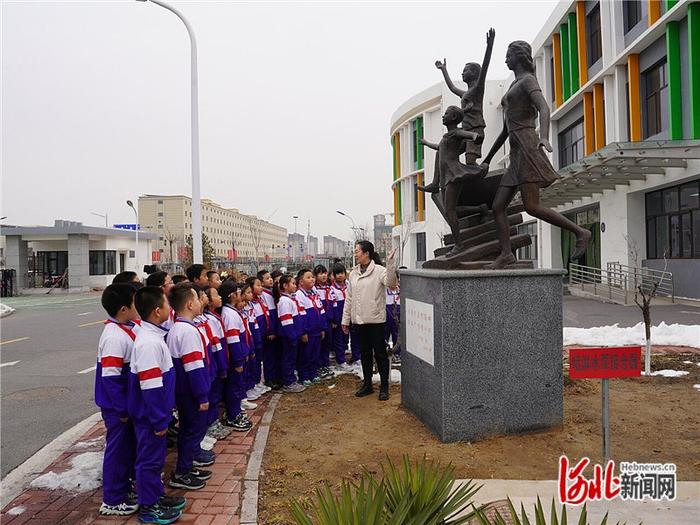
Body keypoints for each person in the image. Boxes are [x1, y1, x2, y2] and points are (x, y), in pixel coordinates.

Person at [480, 40, 591, 269]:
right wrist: (489, 158)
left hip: (528, 148)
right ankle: (506, 254)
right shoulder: (515, 85)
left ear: (518, 57)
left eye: (508, 55)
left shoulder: (528, 81)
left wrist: (545, 137)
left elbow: (544, 108)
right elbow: (504, 130)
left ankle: (581, 232)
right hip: (516, 153)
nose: (505, 60)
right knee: (498, 206)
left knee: (532, 206)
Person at [128, 286, 184, 524]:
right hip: (150, 416)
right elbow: (150, 387)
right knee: (149, 461)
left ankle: (156, 496)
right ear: (157, 311)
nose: (170, 309)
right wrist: (159, 419)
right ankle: (149, 507)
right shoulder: (149, 343)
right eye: (167, 305)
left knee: (155, 460)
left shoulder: (154, 337)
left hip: (156, 414)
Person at [95, 284, 139, 516]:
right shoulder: (114, 337)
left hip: (124, 405)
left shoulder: (127, 328)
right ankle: (112, 499)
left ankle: (124, 487)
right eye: (135, 302)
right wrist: (121, 409)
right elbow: (111, 379)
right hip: (116, 407)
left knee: (127, 448)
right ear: (123, 309)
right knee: (118, 450)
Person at [166, 283, 212, 491]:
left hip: (186, 392)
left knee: (190, 430)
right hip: (191, 393)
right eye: (197, 298)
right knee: (191, 430)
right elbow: (193, 367)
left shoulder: (180, 328)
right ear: (190, 304)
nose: (202, 302)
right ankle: (182, 472)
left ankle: (188, 466)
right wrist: (202, 396)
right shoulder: (187, 331)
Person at [341, 241, 397, 401]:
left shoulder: (379, 271)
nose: (355, 254)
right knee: (365, 354)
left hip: (376, 321)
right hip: (359, 321)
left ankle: (384, 387)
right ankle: (367, 385)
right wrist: (345, 319)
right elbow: (349, 298)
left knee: (380, 354)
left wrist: (391, 263)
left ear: (366, 253)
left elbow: (392, 284)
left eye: (357, 251)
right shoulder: (353, 273)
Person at [219, 281, 254, 431]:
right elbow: (233, 340)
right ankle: (232, 416)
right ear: (233, 296)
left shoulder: (233, 312)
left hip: (240, 357)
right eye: (239, 293)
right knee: (234, 388)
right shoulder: (230, 314)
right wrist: (238, 361)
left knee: (237, 387)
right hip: (235, 361)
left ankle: (235, 412)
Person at [202, 286, 231, 440]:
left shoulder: (212, 317)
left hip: (216, 364)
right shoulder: (209, 320)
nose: (220, 297)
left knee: (215, 394)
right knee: (211, 397)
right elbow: (215, 345)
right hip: (212, 364)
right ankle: (210, 425)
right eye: (215, 295)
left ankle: (214, 422)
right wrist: (221, 365)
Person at [274, 274, 306, 393]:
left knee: (291, 359)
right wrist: (292, 336)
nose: (295, 285)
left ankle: (291, 379)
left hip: (293, 336)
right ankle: (288, 382)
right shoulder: (284, 301)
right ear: (285, 286)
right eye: (292, 283)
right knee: (288, 359)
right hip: (289, 337)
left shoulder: (290, 299)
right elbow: (286, 322)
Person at [295, 269, 326, 387]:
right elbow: (300, 315)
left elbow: (321, 310)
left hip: (317, 330)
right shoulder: (299, 295)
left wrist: (323, 327)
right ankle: (304, 375)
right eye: (308, 277)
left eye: (312, 277)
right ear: (301, 282)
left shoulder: (315, 292)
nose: (312, 279)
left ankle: (313, 373)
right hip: (308, 332)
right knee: (305, 354)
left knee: (315, 353)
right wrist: (303, 332)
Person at [258, 270, 282, 389]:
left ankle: (276, 376)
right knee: (269, 357)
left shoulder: (272, 292)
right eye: (267, 278)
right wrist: (270, 331)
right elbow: (268, 315)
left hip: (276, 328)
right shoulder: (263, 295)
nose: (270, 280)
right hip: (270, 331)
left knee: (276, 354)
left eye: (270, 278)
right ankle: (269, 378)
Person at [313, 265, 335, 377]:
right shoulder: (314, 290)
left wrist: (333, 319)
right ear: (315, 276)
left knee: (327, 343)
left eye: (325, 273)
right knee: (318, 345)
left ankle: (325, 364)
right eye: (321, 273)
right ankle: (318, 366)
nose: (324, 275)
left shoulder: (329, 288)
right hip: (319, 322)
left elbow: (333, 304)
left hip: (329, 322)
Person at [330, 263, 352, 371]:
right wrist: (334, 319)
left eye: (342, 273)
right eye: (337, 274)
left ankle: (356, 357)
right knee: (339, 338)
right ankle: (341, 360)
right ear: (333, 275)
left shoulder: (350, 285)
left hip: (351, 313)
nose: (340, 276)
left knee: (353, 336)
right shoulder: (331, 289)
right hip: (339, 315)